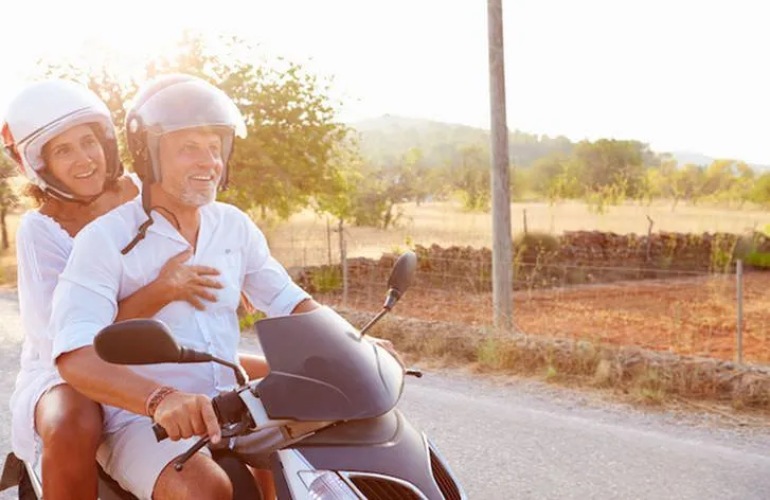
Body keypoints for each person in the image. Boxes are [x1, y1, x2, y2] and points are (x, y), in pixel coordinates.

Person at [49, 73, 322, 500]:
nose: (208, 162)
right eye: (189, 148)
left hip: (238, 403)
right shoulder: (104, 241)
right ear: (150, 156)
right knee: (204, 489)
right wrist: (160, 399)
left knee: (322, 462)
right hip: (143, 419)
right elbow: (76, 355)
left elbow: (291, 302)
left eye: (215, 148)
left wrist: (356, 344)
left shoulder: (234, 226)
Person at [2, 79, 259, 500]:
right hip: (70, 366)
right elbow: (64, 341)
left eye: (89, 141)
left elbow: (206, 234)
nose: (84, 159)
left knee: (280, 376)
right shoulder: (40, 230)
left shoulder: (144, 192)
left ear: (108, 141)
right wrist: (162, 291)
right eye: (63, 150)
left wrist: (233, 275)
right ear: (40, 165)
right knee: (72, 421)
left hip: (164, 347)